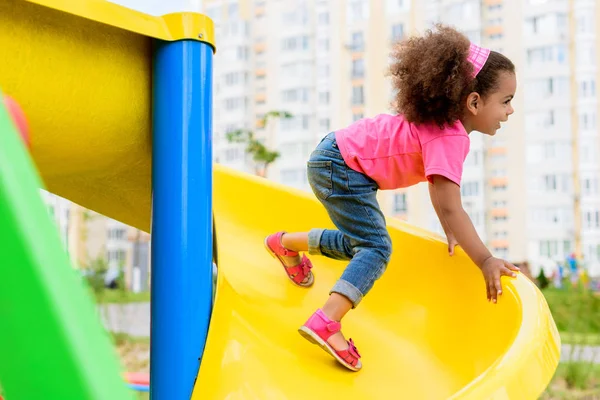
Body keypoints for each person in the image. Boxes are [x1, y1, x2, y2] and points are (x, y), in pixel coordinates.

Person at [264, 24, 519, 372]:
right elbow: (450, 204)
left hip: (336, 158)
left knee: (361, 245)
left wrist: (452, 229)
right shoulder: (450, 137)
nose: (510, 111)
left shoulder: (441, 128)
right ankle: (327, 321)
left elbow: (438, 189)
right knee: (377, 248)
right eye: (506, 101)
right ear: (474, 101)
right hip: (341, 166)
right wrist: (486, 259)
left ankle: (285, 244)